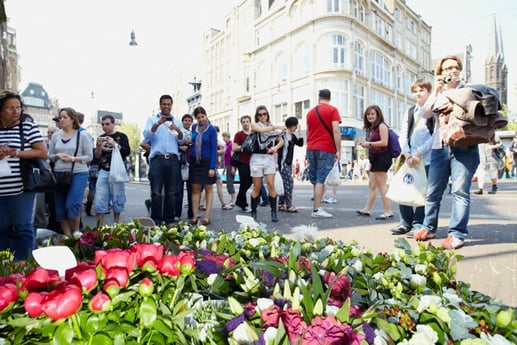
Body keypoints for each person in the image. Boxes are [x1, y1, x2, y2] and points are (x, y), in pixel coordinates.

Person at [413, 55, 480, 250]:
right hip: (439, 148)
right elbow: (424, 114)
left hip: (464, 146)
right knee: (432, 192)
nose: (450, 71)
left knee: (459, 191)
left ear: (460, 70)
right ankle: (428, 227)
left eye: (454, 67)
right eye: (446, 69)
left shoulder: (470, 90)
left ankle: (457, 233)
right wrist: (437, 89)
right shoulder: (439, 93)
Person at [0, 92, 48, 260]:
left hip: (22, 188)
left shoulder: (27, 127)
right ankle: (6, 266)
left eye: (18, 107)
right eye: (10, 108)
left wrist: (15, 153)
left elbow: (42, 152)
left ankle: (25, 265)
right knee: (3, 228)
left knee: (22, 228)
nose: (15, 111)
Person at [390, 79, 434, 235]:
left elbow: (434, 136)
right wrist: (408, 154)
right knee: (405, 187)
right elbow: (403, 135)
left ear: (429, 91)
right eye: (415, 91)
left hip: (427, 158)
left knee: (424, 191)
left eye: (421, 90)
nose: (418, 94)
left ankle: (418, 223)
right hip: (409, 158)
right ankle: (405, 222)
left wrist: (418, 153)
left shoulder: (434, 111)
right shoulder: (410, 112)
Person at [48, 107, 93, 238]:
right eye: (60, 117)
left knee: (72, 203)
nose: (61, 120)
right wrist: (57, 156)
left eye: (64, 117)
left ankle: (76, 232)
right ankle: (68, 238)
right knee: (60, 208)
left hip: (78, 172)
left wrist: (73, 158)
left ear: (73, 119)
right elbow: (50, 155)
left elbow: (89, 157)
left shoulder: (82, 135)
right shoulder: (56, 135)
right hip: (59, 173)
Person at [142, 95, 185, 225]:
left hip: (172, 160)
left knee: (171, 192)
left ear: (171, 105)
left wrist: (177, 130)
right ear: (160, 105)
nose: (166, 106)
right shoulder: (151, 119)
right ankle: (156, 220)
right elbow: (147, 135)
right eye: (164, 104)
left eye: (168, 104)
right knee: (156, 192)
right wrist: (157, 124)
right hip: (157, 159)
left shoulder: (177, 121)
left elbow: (182, 140)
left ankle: (168, 220)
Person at [306, 89, 341, 218]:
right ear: (330, 98)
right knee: (321, 178)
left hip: (311, 147)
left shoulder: (310, 113)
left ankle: (316, 206)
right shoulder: (332, 110)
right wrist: (338, 150)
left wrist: (307, 149)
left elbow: (308, 133)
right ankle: (316, 209)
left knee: (315, 178)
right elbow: (336, 131)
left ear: (319, 97)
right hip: (326, 147)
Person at [357, 105, 393, 220]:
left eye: (372, 114)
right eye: (368, 114)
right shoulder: (373, 128)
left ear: (378, 115)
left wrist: (369, 144)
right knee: (372, 185)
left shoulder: (382, 126)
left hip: (382, 158)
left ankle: (388, 211)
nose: (370, 116)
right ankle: (367, 210)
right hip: (376, 158)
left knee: (382, 185)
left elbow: (384, 142)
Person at [93, 115, 131, 226]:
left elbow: (126, 151)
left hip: (117, 171)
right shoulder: (101, 137)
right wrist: (99, 146)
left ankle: (116, 225)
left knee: (117, 198)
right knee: (100, 198)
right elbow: (97, 156)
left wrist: (114, 144)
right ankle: (99, 228)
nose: (104, 126)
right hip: (103, 170)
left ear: (113, 124)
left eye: (107, 124)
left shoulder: (121, 136)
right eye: (103, 124)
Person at [249, 105, 284, 222]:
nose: (263, 116)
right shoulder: (254, 125)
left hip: (269, 158)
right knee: (256, 186)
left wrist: (275, 147)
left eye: (264, 114)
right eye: (260, 114)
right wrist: (276, 126)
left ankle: (274, 212)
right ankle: (253, 211)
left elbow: (281, 141)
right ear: (257, 116)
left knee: (270, 184)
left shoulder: (270, 126)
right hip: (256, 158)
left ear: (267, 114)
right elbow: (261, 130)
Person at [187, 107, 218, 226]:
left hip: (207, 161)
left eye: (202, 117)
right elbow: (191, 141)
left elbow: (214, 149)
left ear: (206, 115)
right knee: (195, 188)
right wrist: (189, 142)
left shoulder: (211, 129)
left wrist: (212, 167)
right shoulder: (194, 128)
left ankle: (206, 217)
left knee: (208, 188)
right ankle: (194, 216)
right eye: (198, 117)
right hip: (195, 161)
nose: (201, 119)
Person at [277, 116, 303, 213]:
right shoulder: (282, 135)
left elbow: (300, 143)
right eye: (295, 126)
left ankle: (280, 204)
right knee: (289, 182)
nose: (296, 127)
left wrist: (300, 132)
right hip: (281, 163)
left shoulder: (292, 136)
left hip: (288, 163)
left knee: (285, 183)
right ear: (291, 126)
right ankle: (289, 205)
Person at [232, 115, 253, 213]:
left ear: (250, 122)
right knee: (244, 183)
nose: (245, 123)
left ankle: (239, 201)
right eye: (243, 122)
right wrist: (244, 147)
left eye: (247, 121)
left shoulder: (254, 134)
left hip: (253, 162)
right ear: (241, 123)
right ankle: (243, 204)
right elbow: (234, 148)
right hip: (242, 162)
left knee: (250, 182)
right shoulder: (238, 134)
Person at [178, 113, 193, 219]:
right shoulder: (178, 133)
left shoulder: (193, 133)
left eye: (189, 121)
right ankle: (176, 213)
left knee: (191, 189)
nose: (187, 122)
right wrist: (180, 147)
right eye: (185, 120)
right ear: (182, 122)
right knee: (178, 190)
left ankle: (191, 213)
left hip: (190, 163)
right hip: (179, 162)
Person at [222, 131, 237, 207]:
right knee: (228, 183)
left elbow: (232, 156)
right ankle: (232, 199)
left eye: (224, 136)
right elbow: (225, 158)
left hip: (231, 165)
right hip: (228, 166)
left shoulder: (230, 145)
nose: (223, 138)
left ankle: (234, 199)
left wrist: (233, 167)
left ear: (227, 137)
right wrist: (224, 168)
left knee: (230, 183)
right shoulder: (226, 145)